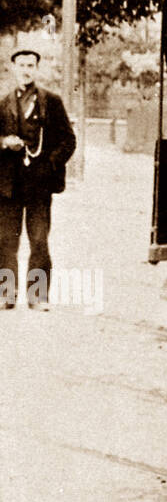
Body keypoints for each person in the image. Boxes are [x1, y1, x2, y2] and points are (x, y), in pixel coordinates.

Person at [0, 50, 76, 310]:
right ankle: (6, 294)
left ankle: (38, 296)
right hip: (8, 186)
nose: (26, 70)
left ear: (37, 69)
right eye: (21, 65)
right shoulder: (3, 103)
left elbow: (69, 140)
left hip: (39, 185)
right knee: (6, 241)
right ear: (13, 68)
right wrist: (4, 143)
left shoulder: (50, 102)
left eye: (31, 65)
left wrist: (50, 166)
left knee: (40, 241)